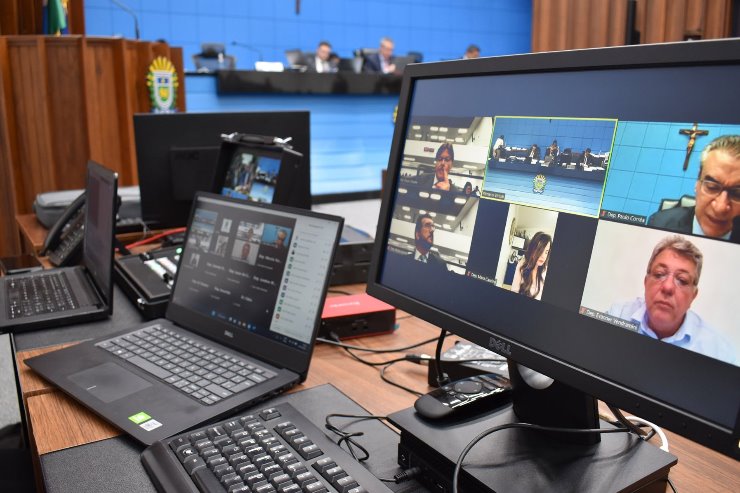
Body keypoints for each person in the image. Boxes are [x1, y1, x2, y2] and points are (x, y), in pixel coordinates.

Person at [607, 235, 734, 364]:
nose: (668, 287)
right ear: (646, 282)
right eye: (659, 274)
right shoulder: (617, 315)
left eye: (682, 280)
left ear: (693, 296)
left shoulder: (720, 352)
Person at [648, 135, 740, 242]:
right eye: (712, 187)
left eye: (737, 194)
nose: (720, 207)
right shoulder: (659, 224)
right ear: (697, 183)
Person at [510, 232, 551, 300]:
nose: (543, 256)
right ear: (532, 249)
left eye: (546, 252)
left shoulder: (545, 270)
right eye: (540, 250)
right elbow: (514, 290)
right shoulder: (522, 265)